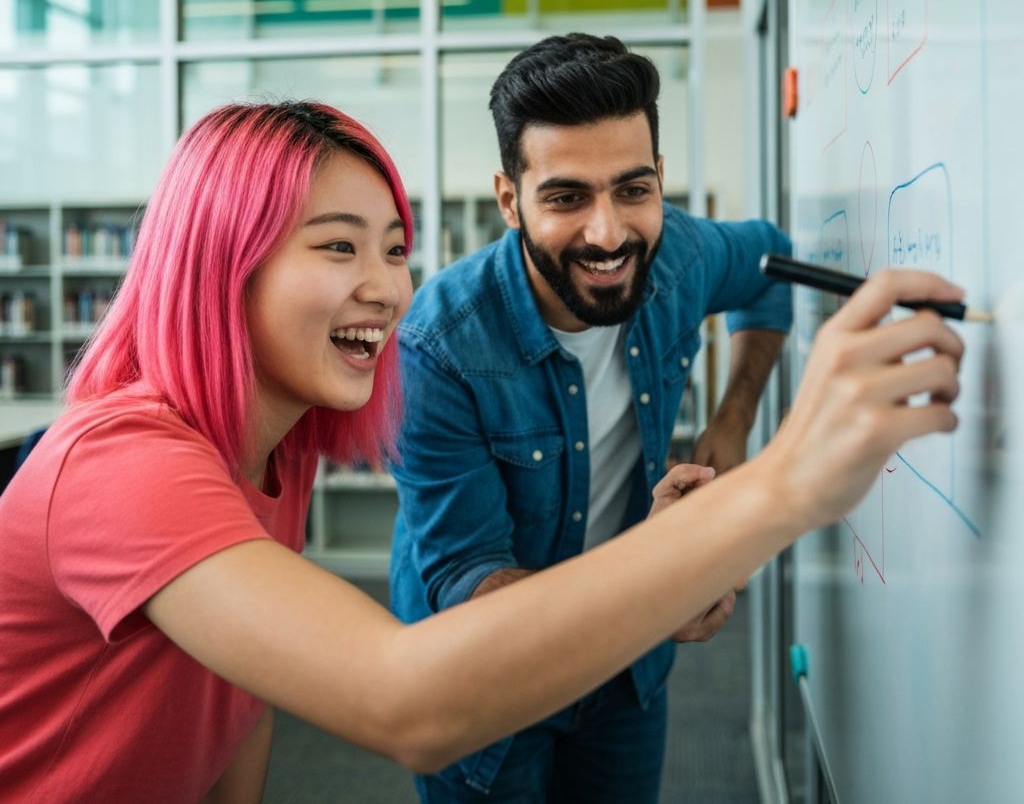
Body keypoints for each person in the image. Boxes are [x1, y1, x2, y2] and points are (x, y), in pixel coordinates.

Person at [0, 99, 963, 804]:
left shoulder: (269, 460)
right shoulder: (121, 463)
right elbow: (407, 703)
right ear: (220, 263)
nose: (385, 287)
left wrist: (734, 425)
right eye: (338, 248)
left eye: (392, 247)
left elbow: (233, 710)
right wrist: (783, 486)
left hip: (619, 682)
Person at [389, 34, 792, 801]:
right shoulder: (437, 346)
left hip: (625, 677)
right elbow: (464, 575)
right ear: (510, 200)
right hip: (483, 688)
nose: (608, 234)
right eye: (567, 197)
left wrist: (735, 422)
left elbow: (773, 265)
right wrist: (660, 581)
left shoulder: (679, 254)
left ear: (660, 182)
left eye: (633, 191)